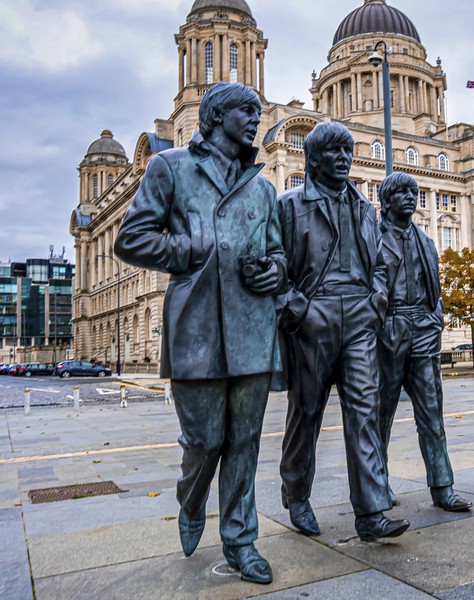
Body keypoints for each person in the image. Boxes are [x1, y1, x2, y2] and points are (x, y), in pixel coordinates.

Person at [114, 82, 285, 584]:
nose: (255, 120)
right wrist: (185, 251)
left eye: (257, 112)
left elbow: (277, 253)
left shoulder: (263, 187)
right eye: (244, 111)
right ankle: (190, 500)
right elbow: (132, 237)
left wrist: (273, 272)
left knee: (245, 442)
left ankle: (241, 540)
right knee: (205, 440)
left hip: (254, 327)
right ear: (215, 115)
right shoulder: (171, 167)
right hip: (196, 326)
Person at [276, 121, 409, 542]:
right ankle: (297, 496)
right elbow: (273, 268)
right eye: (334, 151)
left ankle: (370, 513)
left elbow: (380, 266)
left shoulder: (365, 208)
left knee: (365, 412)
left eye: (348, 150)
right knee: (306, 415)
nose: (344, 158)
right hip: (313, 319)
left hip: (359, 317)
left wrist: (377, 302)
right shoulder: (289, 205)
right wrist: (298, 311)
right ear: (313, 158)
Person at [376, 172, 472, 513]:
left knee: (432, 413)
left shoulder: (427, 241)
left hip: (423, 329)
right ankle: (378, 485)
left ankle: (442, 486)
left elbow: (435, 288)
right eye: (400, 192)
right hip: (387, 330)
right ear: (386, 199)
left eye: (412, 191)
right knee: (380, 414)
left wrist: (436, 319)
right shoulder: (372, 237)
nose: (409, 197)